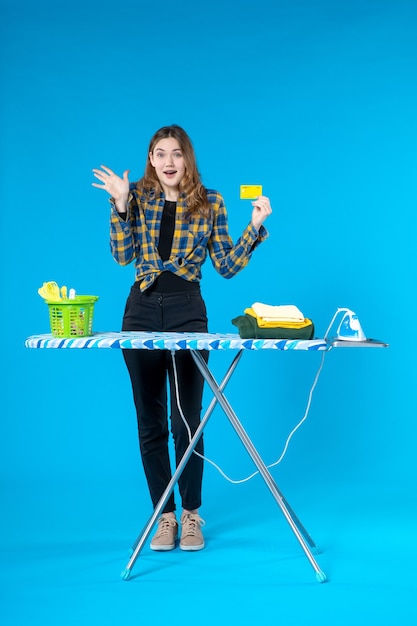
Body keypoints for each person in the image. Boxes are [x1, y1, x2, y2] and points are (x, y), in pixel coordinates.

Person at [92, 124, 272, 552]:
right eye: (160, 154)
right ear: (151, 160)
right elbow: (122, 257)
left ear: (187, 158)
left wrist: (255, 226)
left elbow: (226, 265)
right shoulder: (134, 195)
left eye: (176, 153)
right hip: (140, 310)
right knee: (149, 422)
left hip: (188, 312)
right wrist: (119, 204)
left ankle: (191, 515)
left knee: (186, 422)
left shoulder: (211, 202)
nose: (169, 161)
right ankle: (164, 517)